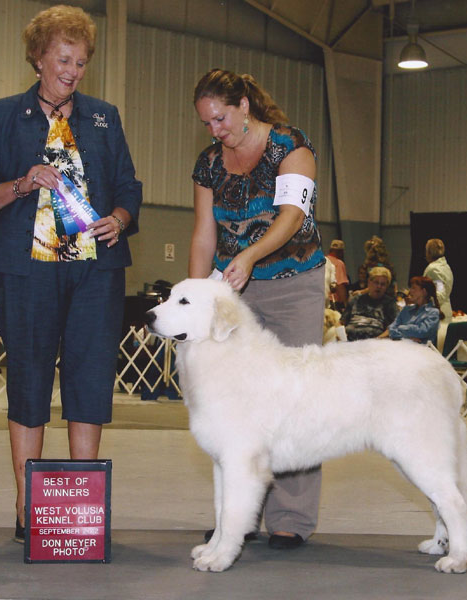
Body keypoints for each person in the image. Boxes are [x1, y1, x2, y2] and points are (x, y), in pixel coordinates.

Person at [0, 5, 142, 544]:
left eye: (82, 61)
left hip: (95, 272)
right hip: (26, 270)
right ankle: (28, 504)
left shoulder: (104, 116)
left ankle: (83, 506)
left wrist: (119, 218)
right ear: (39, 58)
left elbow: (129, 188)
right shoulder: (1, 114)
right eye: (64, 58)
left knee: (89, 379)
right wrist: (23, 183)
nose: (73, 70)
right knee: (29, 378)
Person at [190, 68, 326, 550]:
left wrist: (249, 255)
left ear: (244, 104)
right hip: (233, 293)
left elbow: (293, 216)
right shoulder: (209, 163)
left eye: (221, 118)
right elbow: (205, 233)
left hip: (294, 284)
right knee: (232, 409)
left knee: (296, 401)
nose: (216, 130)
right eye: (207, 123)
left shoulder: (291, 147)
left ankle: (291, 517)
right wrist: (196, 292)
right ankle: (235, 519)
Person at [341, 266, 398, 341]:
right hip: (349, 341)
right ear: (369, 282)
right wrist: (340, 336)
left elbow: (394, 327)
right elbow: (341, 322)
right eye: (376, 282)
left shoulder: (389, 303)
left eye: (383, 284)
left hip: (374, 344)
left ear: (386, 287)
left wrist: (377, 340)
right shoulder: (355, 300)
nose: (379, 286)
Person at [389, 276, 443, 344]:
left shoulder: (433, 313)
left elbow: (422, 332)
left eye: (413, 288)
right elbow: (391, 329)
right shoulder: (406, 310)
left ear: (424, 292)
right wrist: (407, 337)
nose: (410, 291)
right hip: (400, 347)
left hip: (421, 351)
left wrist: (400, 328)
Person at [423, 238, 454, 322]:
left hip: (438, 314)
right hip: (445, 310)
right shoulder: (446, 266)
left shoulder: (433, 269)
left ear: (429, 252)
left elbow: (440, 294)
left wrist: (422, 301)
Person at [326, 239, 349, 309]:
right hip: (334, 302)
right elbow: (340, 285)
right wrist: (346, 305)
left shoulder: (323, 261)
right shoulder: (338, 263)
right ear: (340, 252)